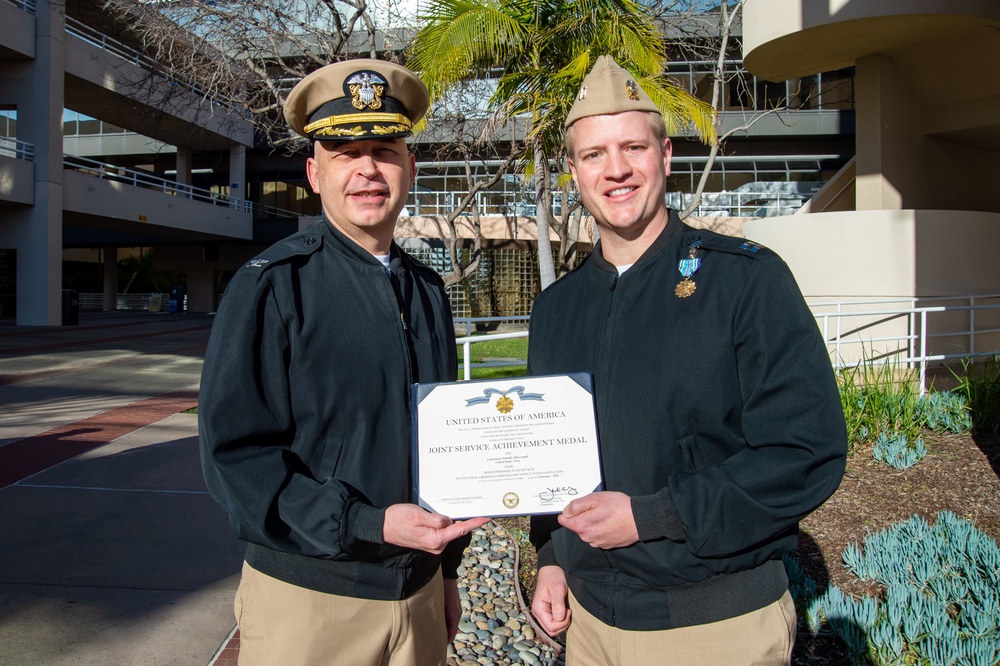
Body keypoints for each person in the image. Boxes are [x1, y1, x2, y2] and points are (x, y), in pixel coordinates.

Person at [527, 56, 848, 664]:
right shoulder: (556, 309)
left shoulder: (745, 283)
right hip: (591, 629)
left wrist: (653, 516)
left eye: (633, 148)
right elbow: (548, 457)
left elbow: (807, 451)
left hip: (714, 626)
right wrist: (551, 558)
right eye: (594, 154)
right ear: (573, 171)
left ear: (666, 155)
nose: (616, 169)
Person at [199, 59, 488, 665]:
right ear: (314, 172)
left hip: (419, 594)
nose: (367, 170)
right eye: (344, 152)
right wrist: (367, 523)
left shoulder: (429, 292)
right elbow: (236, 461)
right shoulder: (273, 286)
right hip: (312, 599)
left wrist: (450, 574)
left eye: (384, 150)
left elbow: (446, 444)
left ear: (409, 168)